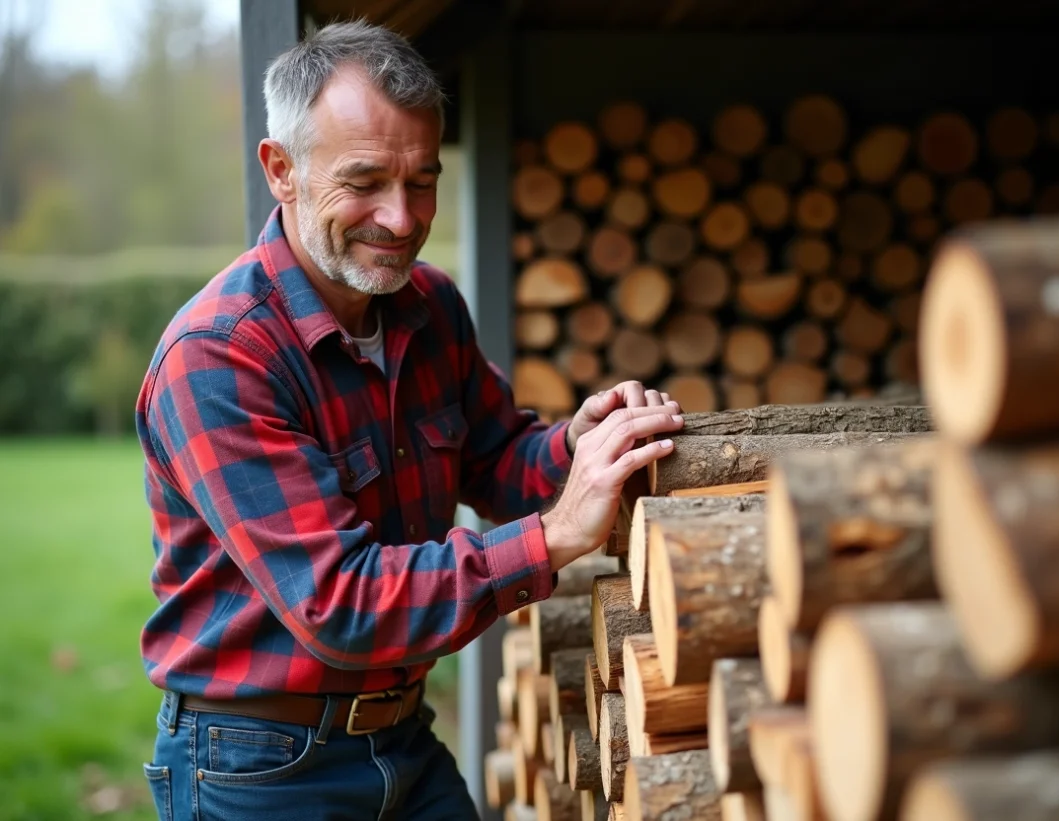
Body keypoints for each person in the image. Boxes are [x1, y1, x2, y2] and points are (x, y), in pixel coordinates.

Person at [133, 19, 682, 820]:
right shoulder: (218, 356)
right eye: (364, 182)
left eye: (421, 180)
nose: (401, 217)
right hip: (257, 768)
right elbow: (342, 606)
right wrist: (557, 534)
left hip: (403, 739)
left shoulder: (428, 303)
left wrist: (581, 445)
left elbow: (496, 459)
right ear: (281, 169)